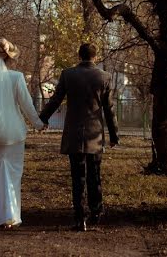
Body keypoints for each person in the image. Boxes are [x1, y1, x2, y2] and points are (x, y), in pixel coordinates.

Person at [39, 42, 119, 231]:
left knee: (77, 176)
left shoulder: (68, 74)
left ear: (79, 55)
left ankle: (79, 217)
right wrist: (114, 134)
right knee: (94, 174)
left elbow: (56, 99)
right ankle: (96, 212)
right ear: (95, 56)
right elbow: (109, 109)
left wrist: (42, 118)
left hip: (74, 133)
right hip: (95, 134)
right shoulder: (104, 77)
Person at [0, 38, 46, 229]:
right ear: (11, 57)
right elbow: (26, 104)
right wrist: (37, 123)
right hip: (14, 133)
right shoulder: (17, 77)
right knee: (13, 173)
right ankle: (12, 215)